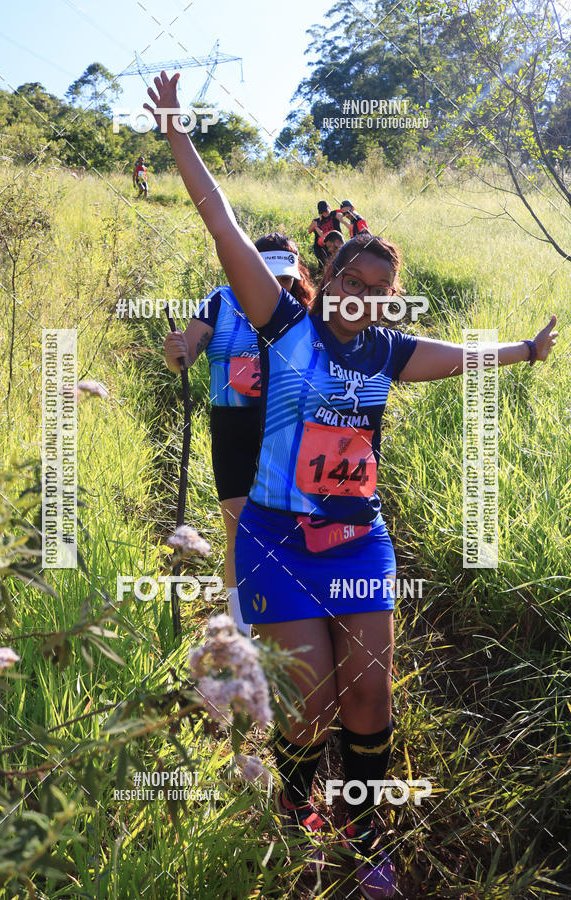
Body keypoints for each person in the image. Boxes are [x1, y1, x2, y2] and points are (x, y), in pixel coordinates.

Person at [145, 71, 558, 898]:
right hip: (274, 538)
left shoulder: (389, 353)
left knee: (368, 694)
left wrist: (522, 352)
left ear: (388, 301)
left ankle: (367, 833)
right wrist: (178, 137)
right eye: (351, 285)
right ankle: (304, 819)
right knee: (308, 706)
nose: (364, 300)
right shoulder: (282, 324)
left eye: (381, 293)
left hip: (358, 539)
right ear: (326, 282)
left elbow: (464, 359)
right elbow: (221, 225)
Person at [163, 233, 315, 637]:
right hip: (231, 426)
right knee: (239, 525)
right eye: (269, 275)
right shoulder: (219, 301)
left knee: (288, 525)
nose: (279, 287)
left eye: (286, 279)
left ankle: (287, 618)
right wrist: (175, 351)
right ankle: (242, 626)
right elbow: (185, 359)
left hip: (284, 427)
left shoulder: (302, 310)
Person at [308, 200, 344, 267]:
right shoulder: (317, 221)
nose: (325, 213)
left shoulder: (334, 214)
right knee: (323, 264)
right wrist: (315, 225)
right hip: (322, 246)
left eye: (326, 211)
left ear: (329, 207)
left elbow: (343, 213)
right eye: (322, 212)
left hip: (335, 243)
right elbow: (309, 230)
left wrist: (340, 217)